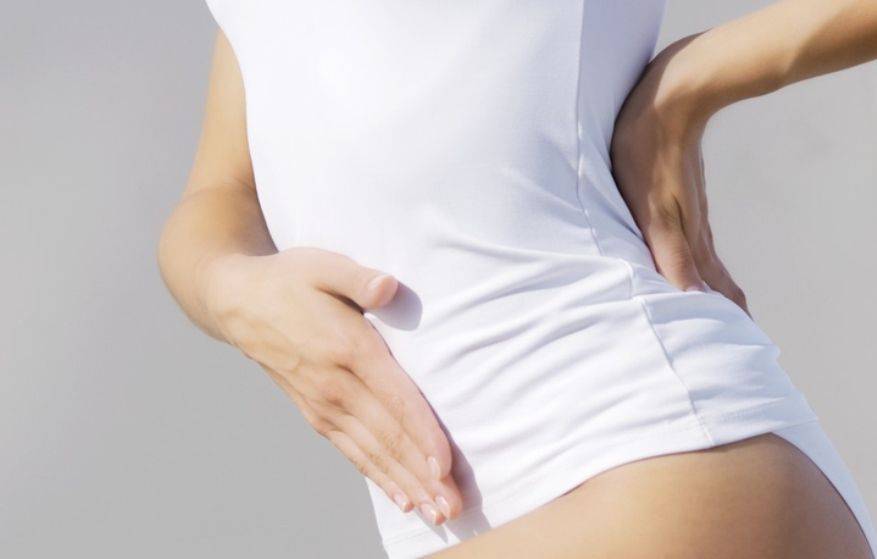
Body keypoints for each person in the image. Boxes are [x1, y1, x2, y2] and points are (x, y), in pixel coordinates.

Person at [157, 1, 877, 557]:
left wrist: (691, 79)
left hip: (641, 458)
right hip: (462, 518)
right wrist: (228, 288)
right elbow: (220, 192)